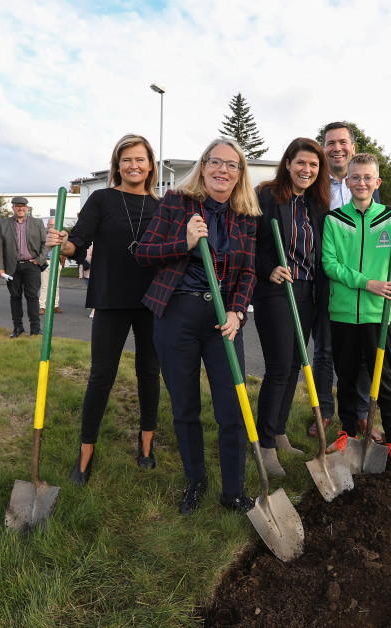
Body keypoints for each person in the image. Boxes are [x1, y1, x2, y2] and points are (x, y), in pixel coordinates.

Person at [134, 138, 259, 516]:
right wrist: (185, 242)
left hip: (224, 320)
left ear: (240, 175)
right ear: (202, 167)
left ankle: (233, 491)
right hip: (177, 315)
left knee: (232, 407)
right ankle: (196, 480)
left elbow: (250, 270)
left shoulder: (246, 215)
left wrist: (238, 310)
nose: (223, 170)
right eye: (215, 162)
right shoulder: (176, 203)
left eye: (232, 165)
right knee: (185, 404)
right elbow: (143, 253)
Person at [47, 134, 162, 484]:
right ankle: (85, 452)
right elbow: (77, 243)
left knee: (148, 372)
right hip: (111, 297)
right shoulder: (102, 199)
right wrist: (62, 242)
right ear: (117, 165)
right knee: (101, 375)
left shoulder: (162, 205)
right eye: (126, 159)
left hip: (153, 299)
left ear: (150, 165)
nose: (134, 165)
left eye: (140, 159)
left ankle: (146, 445)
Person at [321, 153, 391, 469]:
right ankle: (347, 432)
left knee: (383, 380)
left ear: (377, 183)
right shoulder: (335, 220)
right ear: (347, 182)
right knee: (346, 378)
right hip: (343, 314)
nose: (361, 182)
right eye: (355, 177)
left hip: (378, 315)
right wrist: (368, 283)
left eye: (367, 178)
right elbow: (330, 265)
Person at [252, 137, 331, 476]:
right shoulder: (266, 196)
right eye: (301, 162)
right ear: (287, 163)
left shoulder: (315, 204)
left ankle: (279, 431)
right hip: (275, 290)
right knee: (279, 367)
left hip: (306, 292)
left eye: (313, 165)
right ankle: (263, 445)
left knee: (296, 364)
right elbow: (247, 241)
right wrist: (268, 267)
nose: (307, 169)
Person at [307, 122, 377, 443]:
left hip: (360, 285)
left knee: (362, 352)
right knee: (324, 348)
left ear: (352, 146)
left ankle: (360, 412)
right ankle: (323, 410)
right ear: (323, 148)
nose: (337, 147)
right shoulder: (313, 185)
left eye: (342, 142)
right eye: (330, 142)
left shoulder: (362, 182)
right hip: (324, 277)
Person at [0, 197, 48, 338]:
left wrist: (39, 260)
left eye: (23, 206)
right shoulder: (3, 224)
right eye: (17, 206)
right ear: (13, 208)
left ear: (27, 208)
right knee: (15, 297)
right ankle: (18, 328)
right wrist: (0, 267)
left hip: (32, 265)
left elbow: (46, 243)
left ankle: (35, 329)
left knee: (32, 297)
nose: (20, 208)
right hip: (12, 267)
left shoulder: (37, 223)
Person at [39, 220, 63, 315]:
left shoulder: (60, 236)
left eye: (54, 224)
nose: (53, 226)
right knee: (45, 285)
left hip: (56, 262)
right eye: (51, 224)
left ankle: (55, 305)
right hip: (46, 261)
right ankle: (43, 306)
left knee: (56, 285)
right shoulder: (43, 236)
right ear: (48, 225)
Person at [79, 243, 94, 318]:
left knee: (93, 289)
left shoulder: (93, 244)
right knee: (90, 289)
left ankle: (94, 308)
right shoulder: (85, 244)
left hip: (90, 270)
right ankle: (92, 304)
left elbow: (88, 256)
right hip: (85, 269)